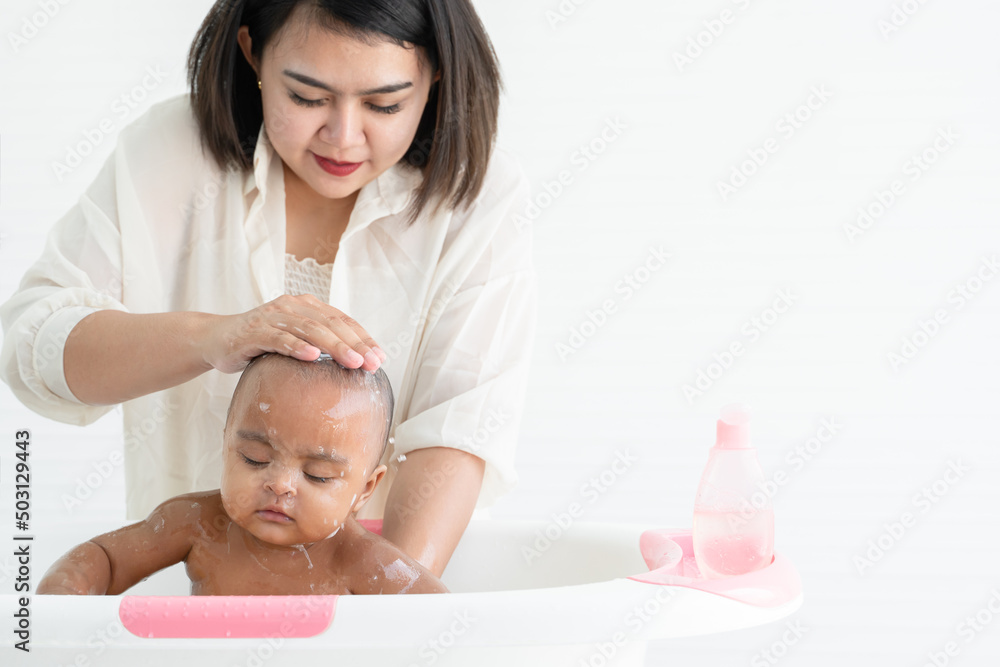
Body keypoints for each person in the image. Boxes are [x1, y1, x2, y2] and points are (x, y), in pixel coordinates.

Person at [0, 0, 537, 578]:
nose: (344, 136)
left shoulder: (476, 198)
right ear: (253, 52)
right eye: (307, 97)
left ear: (435, 74)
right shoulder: (167, 153)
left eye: (385, 104)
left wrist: (380, 616)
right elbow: (33, 345)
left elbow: (457, 427)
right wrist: (211, 337)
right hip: (183, 617)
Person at [37, 353, 449, 595]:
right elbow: (107, 559)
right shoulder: (197, 525)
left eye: (319, 475)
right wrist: (63, 598)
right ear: (225, 446)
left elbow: (446, 622)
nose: (281, 484)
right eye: (254, 458)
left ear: (365, 489)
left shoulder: (360, 560)